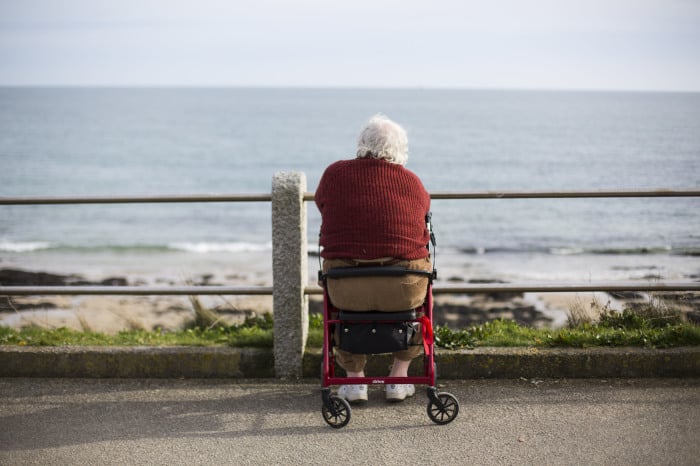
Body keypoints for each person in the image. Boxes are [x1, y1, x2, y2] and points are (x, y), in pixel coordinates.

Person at [315, 114, 432, 403]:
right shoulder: (412, 183)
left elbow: (321, 204)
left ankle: (355, 382)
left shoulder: (334, 175)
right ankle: (398, 378)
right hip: (402, 289)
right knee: (420, 299)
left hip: (346, 290)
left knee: (339, 314)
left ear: (362, 144)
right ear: (400, 150)